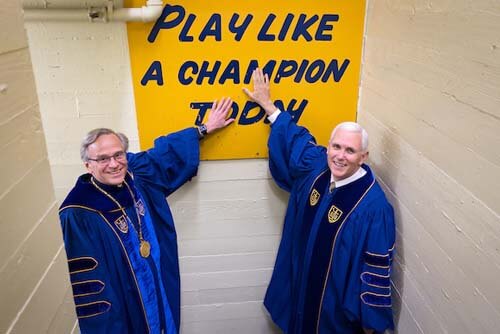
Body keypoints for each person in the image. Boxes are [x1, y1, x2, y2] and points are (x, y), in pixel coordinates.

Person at [59, 98, 234, 334]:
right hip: (125, 302)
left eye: (118, 155)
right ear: (87, 165)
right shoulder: (79, 211)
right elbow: (91, 288)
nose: (114, 164)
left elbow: (164, 154)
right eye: (102, 159)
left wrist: (205, 128)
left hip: (157, 284)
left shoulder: (135, 174)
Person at [243, 69, 396, 334]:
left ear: (364, 157)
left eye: (350, 151)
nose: (339, 156)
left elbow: (375, 274)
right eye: (336, 147)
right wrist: (268, 105)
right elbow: (295, 140)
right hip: (302, 290)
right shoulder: (317, 166)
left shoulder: (374, 209)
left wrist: (368, 326)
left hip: (333, 313)